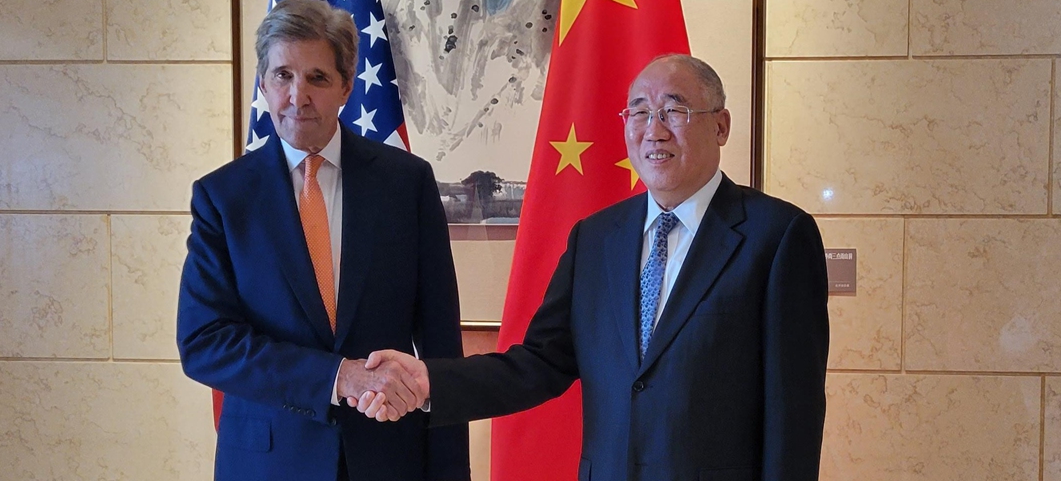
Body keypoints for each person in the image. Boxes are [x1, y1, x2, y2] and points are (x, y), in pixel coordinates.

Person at [351, 54, 829, 481]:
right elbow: (539, 364)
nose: (653, 129)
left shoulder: (777, 237)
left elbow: (793, 414)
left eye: (674, 111)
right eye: (638, 112)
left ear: (721, 126)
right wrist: (428, 381)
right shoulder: (596, 239)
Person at [176, 0, 469, 481]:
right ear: (263, 84)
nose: (298, 96)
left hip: (389, 457)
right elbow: (205, 343)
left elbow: (440, 345)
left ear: (346, 87)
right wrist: (336, 377)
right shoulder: (223, 198)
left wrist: (451, 471)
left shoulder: (406, 184)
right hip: (268, 462)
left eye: (317, 77)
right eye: (282, 76)